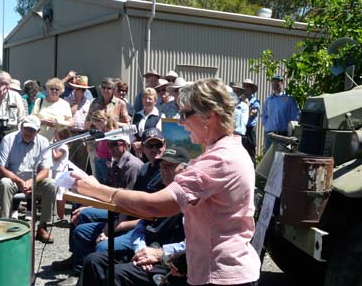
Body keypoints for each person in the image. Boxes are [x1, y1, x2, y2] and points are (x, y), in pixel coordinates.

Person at [73, 78, 261, 286]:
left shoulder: (220, 159)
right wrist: (185, 258)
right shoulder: (226, 150)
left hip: (221, 275)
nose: (180, 122)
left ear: (209, 115)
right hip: (216, 268)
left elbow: (154, 206)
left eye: (185, 114)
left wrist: (96, 190)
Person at [79, 146, 190, 286]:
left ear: (185, 170)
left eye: (170, 166)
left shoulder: (190, 200)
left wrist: (159, 253)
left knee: (117, 274)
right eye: (162, 165)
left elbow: (194, 242)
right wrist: (141, 250)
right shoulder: (158, 192)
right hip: (145, 251)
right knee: (93, 261)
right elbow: (141, 227)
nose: (164, 170)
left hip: (171, 260)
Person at [54, 134, 144, 286]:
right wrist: (91, 205)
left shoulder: (132, 166)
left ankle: (79, 269)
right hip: (114, 206)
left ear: (126, 145)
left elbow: (127, 204)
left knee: (83, 221)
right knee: (80, 209)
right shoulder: (115, 162)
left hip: (125, 213)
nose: (112, 148)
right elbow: (107, 193)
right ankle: (76, 256)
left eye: (117, 144)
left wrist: (110, 229)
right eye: (109, 144)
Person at [0, 115, 57, 243]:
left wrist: (32, 181)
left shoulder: (43, 142)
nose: (28, 132)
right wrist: (18, 180)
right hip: (13, 178)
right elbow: (1, 168)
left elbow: (46, 170)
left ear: (38, 131)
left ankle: (42, 226)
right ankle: (4, 224)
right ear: (21, 127)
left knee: (51, 184)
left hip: (34, 180)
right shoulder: (8, 139)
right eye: (26, 128)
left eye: (32, 130)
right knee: (4, 183)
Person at [0, 72, 26, 171]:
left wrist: (20, 131)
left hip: (11, 130)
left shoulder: (15, 95)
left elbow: (22, 116)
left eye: (7, 84)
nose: (4, 86)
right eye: (2, 83)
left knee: (11, 157)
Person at [261, 74, 299, 152]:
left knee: (281, 158)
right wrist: (267, 126)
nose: (275, 84)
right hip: (270, 135)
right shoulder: (269, 100)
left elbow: (295, 117)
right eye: (273, 82)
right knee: (269, 159)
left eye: (277, 82)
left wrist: (291, 132)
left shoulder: (289, 99)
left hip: (283, 135)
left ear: (282, 83)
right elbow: (264, 115)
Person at [31, 77, 73, 142]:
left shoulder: (65, 104)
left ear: (61, 91)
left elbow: (71, 123)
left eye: (57, 89)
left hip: (57, 140)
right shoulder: (39, 101)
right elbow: (32, 118)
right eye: (52, 88)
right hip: (39, 139)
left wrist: (57, 122)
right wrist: (43, 121)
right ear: (48, 89)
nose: (54, 91)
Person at [65, 75, 93, 172]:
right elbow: (68, 114)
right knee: (70, 162)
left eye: (83, 90)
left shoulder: (89, 103)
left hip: (83, 134)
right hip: (70, 134)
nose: (81, 92)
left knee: (82, 164)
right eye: (78, 89)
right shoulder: (67, 101)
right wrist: (76, 102)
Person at [131, 88, 161, 159]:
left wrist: (142, 145)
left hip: (152, 152)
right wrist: (134, 144)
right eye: (145, 98)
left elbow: (158, 135)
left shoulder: (160, 116)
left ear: (155, 101)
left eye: (150, 99)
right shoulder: (136, 115)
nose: (147, 101)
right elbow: (131, 132)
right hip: (135, 152)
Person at [242, 78, 260, 166]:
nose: (245, 88)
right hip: (241, 129)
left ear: (251, 89)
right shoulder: (239, 100)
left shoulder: (255, 101)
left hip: (249, 129)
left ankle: (253, 171)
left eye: (247, 86)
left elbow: (251, 114)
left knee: (250, 151)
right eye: (244, 86)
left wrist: (246, 104)